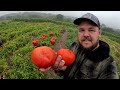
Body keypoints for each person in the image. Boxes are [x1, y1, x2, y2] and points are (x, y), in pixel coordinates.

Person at [40, 13, 119, 79]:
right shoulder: (74, 47)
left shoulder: (108, 65)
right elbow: (65, 72)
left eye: (91, 30)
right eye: (82, 30)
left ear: (99, 33)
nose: (85, 34)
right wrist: (60, 69)